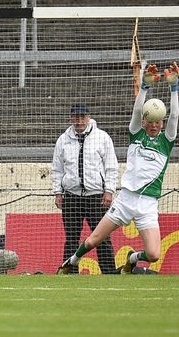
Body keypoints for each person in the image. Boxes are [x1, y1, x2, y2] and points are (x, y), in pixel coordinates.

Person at [57, 62, 179, 275]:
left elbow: (175, 117)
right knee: (95, 238)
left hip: (148, 204)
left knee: (153, 254)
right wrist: (144, 87)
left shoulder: (166, 142)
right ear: (143, 121)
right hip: (125, 200)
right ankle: (71, 262)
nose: (153, 125)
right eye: (149, 120)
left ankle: (132, 258)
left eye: (158, 122)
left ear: (162, 123)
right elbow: (137, 109)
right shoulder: (136, 134)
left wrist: (174, 88)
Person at [52, 102, 119, 274]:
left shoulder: (102, 137)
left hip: (96, 196)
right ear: (70, 118)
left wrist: (109, 190)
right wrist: (58, 192)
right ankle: (69, 272)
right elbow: (57, 169)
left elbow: (111, 166)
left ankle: (109, 272)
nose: (79, 120)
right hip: (72, 196)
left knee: (102, 238)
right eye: (76, 117)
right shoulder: (63, 140)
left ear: (89, 117)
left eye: (83, 117)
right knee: (71, 238)